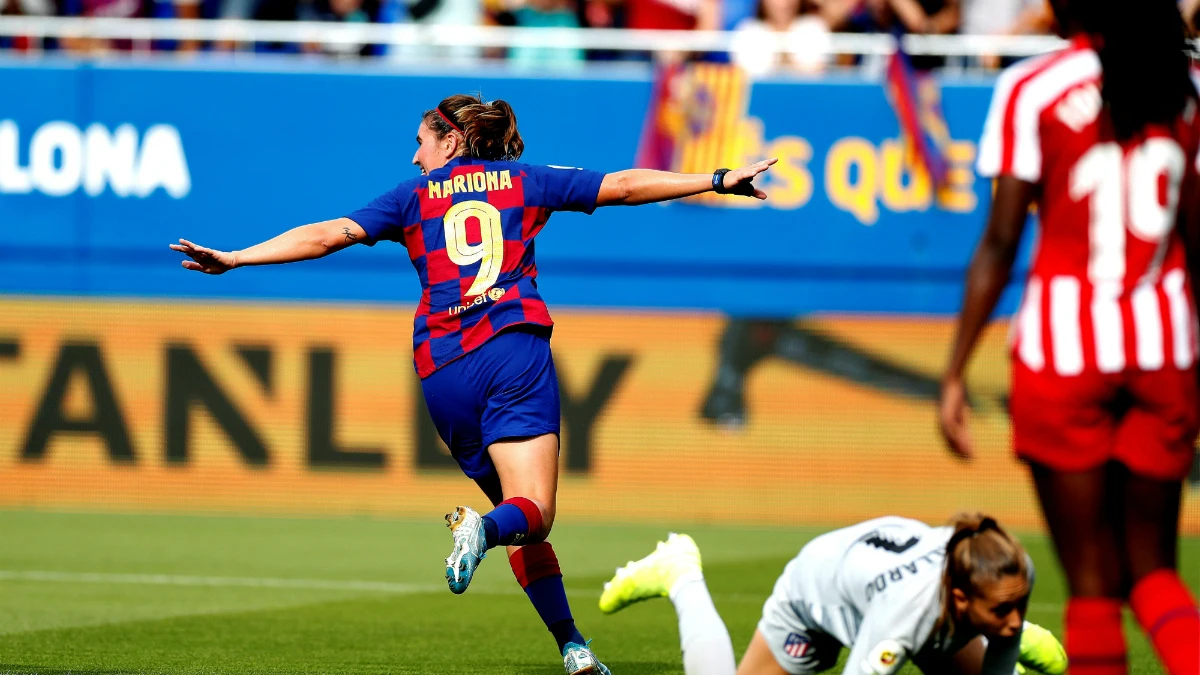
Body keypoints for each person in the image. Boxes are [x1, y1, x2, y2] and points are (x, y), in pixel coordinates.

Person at [170, 93, 776, 675]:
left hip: (442, 374)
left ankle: (573, 648)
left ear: (452, 138)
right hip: (509, 352)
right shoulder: (526, 180)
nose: (414, 157)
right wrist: (716, 180)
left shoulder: (409, 197)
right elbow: (621, 186)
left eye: (420, 142)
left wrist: (238, 258)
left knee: (512, 512)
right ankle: (483, 535)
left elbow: (326, 235)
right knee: (530, 513)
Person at [938, 0, 1200, 673]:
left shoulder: (1034, 87)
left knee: (1090, 583)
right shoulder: (1181, 89)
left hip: (1064, 352)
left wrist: (955, 370)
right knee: (1153, 572)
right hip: (1164, 347)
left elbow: (1000, 242)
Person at [599, 514, 1068, 675]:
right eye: (1004, 612)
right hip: (815, 590)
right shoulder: (901, 619)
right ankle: (681, 573)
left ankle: (1003, 637)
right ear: (963, 599)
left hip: (899, 581)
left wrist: (1003, 639)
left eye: (1017, 611)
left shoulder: (1006, 564)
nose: (1012, 616)